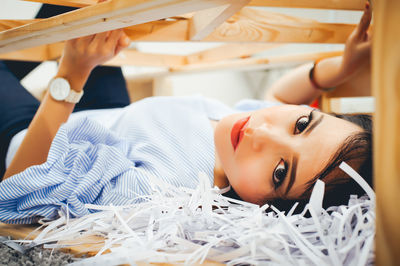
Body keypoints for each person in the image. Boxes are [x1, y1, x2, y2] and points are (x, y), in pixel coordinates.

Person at [0, 3, 372, 224]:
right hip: (112, 114)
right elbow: (278, 95)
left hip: (26, 139)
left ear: (266, 212)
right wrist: (340, 68)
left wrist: (70, 77)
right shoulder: (244, 135)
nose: (262, 133)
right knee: (86, 15)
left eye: (279, 172)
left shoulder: (164, 188)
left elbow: (20, 190)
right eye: (302, 123)